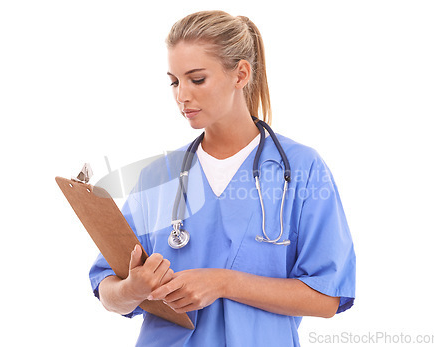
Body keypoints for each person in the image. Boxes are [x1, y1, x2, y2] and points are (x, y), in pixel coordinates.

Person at [89, 10, 356, 346]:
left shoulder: (301, 170)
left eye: (196, 79)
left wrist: (223, 282)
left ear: (240, 74)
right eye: (174, 81)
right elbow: (108, 290)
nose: (181, 95)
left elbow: (327, 296)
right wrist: (131, 289)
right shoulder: (159, 177)